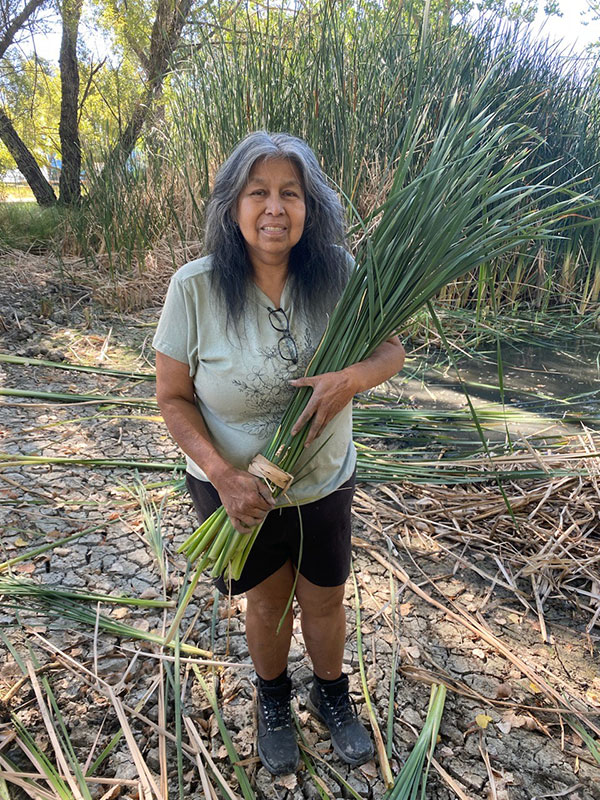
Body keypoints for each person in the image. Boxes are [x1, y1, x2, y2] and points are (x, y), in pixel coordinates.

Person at [153, 131, 405, 776]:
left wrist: (352, 379)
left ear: (309, 205)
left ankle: (330, 692)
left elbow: (390, 352)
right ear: (232, 207)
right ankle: (272, 700)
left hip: (323, 478)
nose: (274, 208)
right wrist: (223, 475)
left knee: (324, 596)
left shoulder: (341, 274)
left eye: (289, 193)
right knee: (267, 601)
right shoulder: (195, 288)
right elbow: (174, 399)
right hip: (237, 488)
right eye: (257, 192)